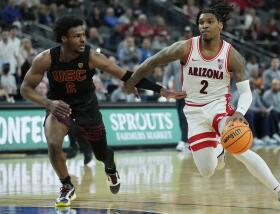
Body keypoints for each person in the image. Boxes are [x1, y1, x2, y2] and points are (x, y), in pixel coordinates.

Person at [123, 1, 280, 212]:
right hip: (194, 112)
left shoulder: (232, 55)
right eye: (201, 22)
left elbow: (246, 93)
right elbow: (153, 61)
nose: (204, 25)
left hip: (219, 108)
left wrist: (240, 113)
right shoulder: (186, 47)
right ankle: (219, 149)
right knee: (206, 171)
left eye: (209, 22)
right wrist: (131, 82)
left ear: (220, 25)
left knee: (240, 148)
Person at [20, 16, 185, 207]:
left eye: (83, 35)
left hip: (87, 108)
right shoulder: (45, 58)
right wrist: (48, 103)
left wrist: (160, 89)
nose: (83, 39)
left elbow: (126, 76)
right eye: (77, 36)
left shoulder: (91, 56)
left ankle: (110, 166)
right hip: (60, 107)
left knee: (101, 154)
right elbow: (25, 88)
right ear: (63, 39)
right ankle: (66, 186)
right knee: (53, 142)